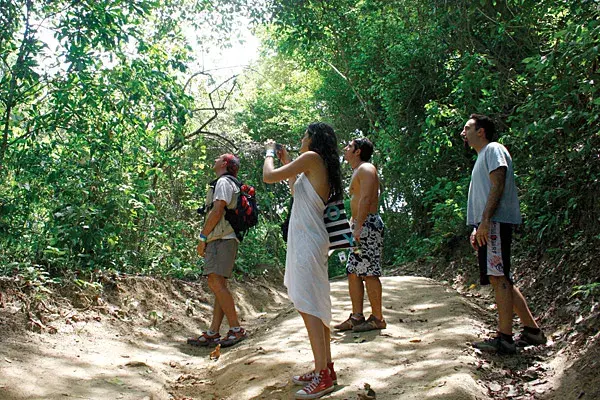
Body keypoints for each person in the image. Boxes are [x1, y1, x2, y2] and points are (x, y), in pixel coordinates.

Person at [263, 122, 342, 400]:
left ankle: (323, 377)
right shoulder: (315, 163)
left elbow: (268, 176)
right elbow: (299, 192)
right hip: (308, 239)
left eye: (305, 135)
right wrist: (288, 162)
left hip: (308, 241)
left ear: (314, 140)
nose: (301, 138)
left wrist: (269, 153)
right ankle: (325, 368)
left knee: (310, 306)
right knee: (314, 304)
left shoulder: (311, 158)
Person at [461, 114, 547, 355]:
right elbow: (484, 193)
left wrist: (487, 221)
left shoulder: (493, 149)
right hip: (488, 223)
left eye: (467, 128)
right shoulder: (481, 156)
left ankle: (505, 339)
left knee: (498, 278)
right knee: (502, 277)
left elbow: (498, 184)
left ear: (481, 131)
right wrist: (477, 226)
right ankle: (532, 330)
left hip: (496, 222)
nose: (463, 133)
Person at [187, 154, 248, 348]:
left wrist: (202, 237)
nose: (214, 159)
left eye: (219, 158)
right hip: (226, 238)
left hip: (221, 239)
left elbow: (217, 210)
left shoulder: (223, 182)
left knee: (214, 281)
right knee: (218, 284)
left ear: (224, 164)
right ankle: (213, 332)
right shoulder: (228, 182)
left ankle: (236, 329)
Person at [333, 138, 386, 333]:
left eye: (349, 146)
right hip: (359, 225)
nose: (345, 149)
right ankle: (357, 317)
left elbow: (365, 198)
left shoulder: (366, 169)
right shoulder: (358, 171)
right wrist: (353, 224)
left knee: (369, 271)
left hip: (367, 226)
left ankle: (378, 318)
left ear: (358, 151)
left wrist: (359, 226)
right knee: (353, 271)